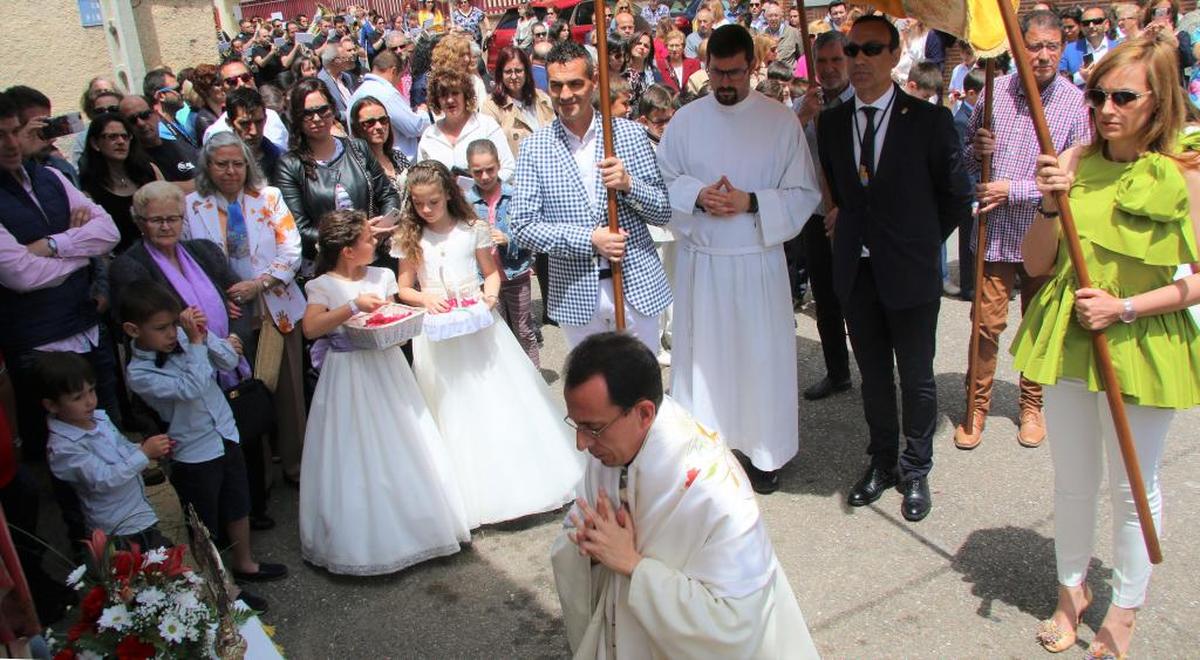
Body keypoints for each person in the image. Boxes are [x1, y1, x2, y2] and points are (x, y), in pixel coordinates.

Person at [1012, 33, 1200, 660]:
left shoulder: (1185, 172)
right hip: (1068, 339)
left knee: (1133, 488)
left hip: (1141, 342)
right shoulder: (1072, 158)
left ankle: (1125, 611)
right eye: (1097, 95)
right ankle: (1071, 593)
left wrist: (1126, 306)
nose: (1106, 109)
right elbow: (1037, 262)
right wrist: (1046, 205)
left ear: (1159, 101)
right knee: (1072, 480)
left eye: (1123, 96)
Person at [551, 332, 820, 658]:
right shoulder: (608, 449)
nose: (582, 443)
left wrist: (633, 566)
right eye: (575, 425)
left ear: (645, 413)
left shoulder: (714, 492)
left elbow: (735, 623)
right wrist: (593, 545)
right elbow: (577, 527)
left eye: (592, 428)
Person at [817, 15, 972, 522]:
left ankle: (916, 466)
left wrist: (918, 241)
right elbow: (841, 193)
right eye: (852, 50)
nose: (859, 60)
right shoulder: (832, 122)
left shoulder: (928, 121)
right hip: (857, 274)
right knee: (875, 375)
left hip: (910, 273)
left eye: (871, 49)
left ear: (894, 54)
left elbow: (955, 198)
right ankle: (882, 461)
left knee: (916, 377)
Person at [658, 24, 821, 495]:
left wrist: (751, 202)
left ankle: (763, 453)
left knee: (758, 358)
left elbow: (803, 192)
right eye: (717, 73)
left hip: (756, 260)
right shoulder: (686, 122)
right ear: (705, 68)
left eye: (734, 73)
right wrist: (697, 195)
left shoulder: (779, 121)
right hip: (703, 263)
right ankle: (707, 452)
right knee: (705, 360)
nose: (725, 83)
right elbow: (662, 179)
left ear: (753, 66)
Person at [394, 161, 582, 527]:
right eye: (419, 205)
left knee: (495, 397)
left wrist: (489, 296)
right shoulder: (411, 238)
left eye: (433, 202)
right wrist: (424, 299)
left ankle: (517, 481)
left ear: (448, 194)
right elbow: (404, 288)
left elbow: (491, 272)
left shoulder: (471, 229)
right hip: (438, 331)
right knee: (450, 403)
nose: (426, 210)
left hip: (478, 323)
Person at [299, 209, 469, 574]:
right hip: (346, 374)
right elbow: (311, 329)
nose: (374, 241)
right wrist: (350, 308)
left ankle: (420, 525)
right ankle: (363, 539)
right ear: (347, 250)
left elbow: (393, 313)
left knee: (405, 439)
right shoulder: (323, 286)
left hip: (387, 366)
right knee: (354, 448)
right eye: (366, 238)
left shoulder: (382, 276)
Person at [955, 9, 1093, 451]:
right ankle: (976, 406)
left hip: (1042, 230)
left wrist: (1011, 189)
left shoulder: (1074, 104)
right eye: (1035, 46)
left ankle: (1032, 405)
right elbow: (966, 162)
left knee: (1037, 324)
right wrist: (978, 149)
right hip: (996, 232)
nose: (1044, 55)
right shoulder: (993, 93)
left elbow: (1075, 179)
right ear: (1019, 48)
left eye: (1053, 46)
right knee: (986, 324)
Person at [0, 93, 122, 559]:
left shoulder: (49, 175)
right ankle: (91, 556)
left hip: (88, 329)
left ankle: (130, 543)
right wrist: (79, 248)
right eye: (2, 135)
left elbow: (108, 232)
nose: (12, 143)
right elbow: (19, 276)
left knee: (107, 432)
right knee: (71, 460)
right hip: (41, 342)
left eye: (17, 131)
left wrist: (50, 244)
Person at [120, 281, 285, 613]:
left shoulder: (186, 338)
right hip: (193, 450)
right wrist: (195, 344)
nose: (171, 334)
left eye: (172, 325)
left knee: (239, 502)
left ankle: (245, 561)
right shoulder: (140, 372)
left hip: (224, 432)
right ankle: (223, 586)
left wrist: (203, 334)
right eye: (161, 328)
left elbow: (227, 361)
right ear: (132, 330)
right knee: (204, 522)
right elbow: (191, 387)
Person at [511, 41, 672, 352]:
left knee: (641, 390)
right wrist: (589, 239)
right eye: (557, 86)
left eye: (575, 83)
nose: (566, 94)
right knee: (595, 396)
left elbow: (663, 211)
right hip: (576, 296)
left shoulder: (629, 135)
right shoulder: (536, 148)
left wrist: (629, 185)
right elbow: (523, 226)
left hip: (635, 286)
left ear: (594, 82)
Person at [183, 133, 309, 488]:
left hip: (274, 306)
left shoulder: (268, 198)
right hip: (225, 312)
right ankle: (257, 477)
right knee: (243, 393)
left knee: (287, 392)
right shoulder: (193, 206)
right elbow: (189, 261)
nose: (230, 171)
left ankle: (296, 466)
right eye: (221, 164)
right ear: (208, 166)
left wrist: (261, 283)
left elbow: (291, 250)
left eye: (237, 163)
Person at [42, 352, 173, 548]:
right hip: (117, 528)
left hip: (139, 513)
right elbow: (104, 479)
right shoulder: (63, 448)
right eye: (77, 397)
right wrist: (144, 454)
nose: (89, 401)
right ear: (51, 405)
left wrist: (148, 447)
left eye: (92, 391)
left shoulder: (99, 419)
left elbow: (122, 448)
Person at [274, 79, 401, 272]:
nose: (317, 118)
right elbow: (300, 228)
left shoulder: (358, 149)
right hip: (328, 267)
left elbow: (388, 193)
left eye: (322, 110)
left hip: (374, 258)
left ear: (333, 110)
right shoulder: (290, 165)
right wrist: (356, 236)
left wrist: (382, 227)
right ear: (297, 118)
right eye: (308, 113)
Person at [795, 29, 855, 402]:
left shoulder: (861, 102)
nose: (830, 69)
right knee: (826, 299)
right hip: (816, 216)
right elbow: (779, 149)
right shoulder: (805, 103)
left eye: (837, 60)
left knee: (862, 298)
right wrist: (801, 118)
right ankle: (837, 372)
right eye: (823, 61)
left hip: (855, 215)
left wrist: (845, 209)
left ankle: (878, 373)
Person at [465, 140, 538, 365]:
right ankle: (508, 374)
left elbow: (532, 234)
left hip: (516, 274)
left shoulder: (515, 196)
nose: (485, 176)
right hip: (483, 278)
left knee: (524, 329)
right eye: (478, 172)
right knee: (497, 331)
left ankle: (533, 376)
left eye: (490, 169)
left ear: (498, 165)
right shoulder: (466, 201)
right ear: (470, 170)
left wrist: (509, 240)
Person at [79, 113, 164, 252]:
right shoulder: (88, 187)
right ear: (95, 143)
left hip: (161, 248)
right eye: (112, 137)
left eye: (125, 136)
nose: (120, 142)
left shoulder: (149, 170)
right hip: (123, 259)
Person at [418, 69, 516, 182]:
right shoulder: (429, 136)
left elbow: (509, 168)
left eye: (455, 93)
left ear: (465, 95)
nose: (450, 100)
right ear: (437, 100)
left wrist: (482, 188)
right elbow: (422, 179)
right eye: (444, 95)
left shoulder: (486, 126)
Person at [347, 50, 430, 162]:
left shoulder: (356, 93)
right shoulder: (387, 93)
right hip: (395, 165)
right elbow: (415, 127)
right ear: (393, 71)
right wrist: (422, 112)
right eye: (400, 77)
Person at [482, 46, 556, 158]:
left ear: (526, 71)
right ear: (500, 74)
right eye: (508, 72)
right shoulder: (491, 106)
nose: (513, 76)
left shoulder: (542, 98)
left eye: (518, 71)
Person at [203, 59, 291, 151]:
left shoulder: (272, 116)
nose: (241, 84)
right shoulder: (217, 133)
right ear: (222, 88)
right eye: (232, 81)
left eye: (245, 77)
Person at [120, 95, 198, 189]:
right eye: (132, 120)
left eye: (145, 115)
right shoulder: (133, 162)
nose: (141, 123)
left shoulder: (180, 145)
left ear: (156, 114)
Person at [350, 96, 414, 195]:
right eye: (369, 123)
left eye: (383, 120)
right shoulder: (356, 167)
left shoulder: (397, 156)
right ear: (357, 128)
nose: (379, 127)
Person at [225, 87, 282, 180]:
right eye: (244, 123)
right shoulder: (219, 165)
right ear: (230, 123)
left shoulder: (280, 159)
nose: (254, 131)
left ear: (266, 119)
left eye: (259, 122)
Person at [1061, 5, 1122, 86]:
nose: (1091, 26)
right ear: (1081, 27)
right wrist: (1080, 77)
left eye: (1097, 21)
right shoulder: (1068, 50)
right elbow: (1058, 81)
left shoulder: (1120, 49)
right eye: (1086, 23)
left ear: (1106, 24)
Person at [143, 67, 198, 148]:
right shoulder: (159, 132)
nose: (182, 92)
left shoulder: (175, 122)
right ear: (161, 96)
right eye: (177, 89)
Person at [319, 37, 362, 117]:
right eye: (344, 57)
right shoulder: (322, 82)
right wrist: (351, 116)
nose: (348, 59)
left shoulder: (347, 77)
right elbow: (330, 112)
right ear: (335, 61)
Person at [624, 31, 662, 116]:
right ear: (631, 45)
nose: (641, 47)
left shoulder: (655, 74)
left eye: (646, 46)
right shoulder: (621, 71)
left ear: (649, 52)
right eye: (638, 43)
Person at [186, 64, 226, 141]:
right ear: (205, 90)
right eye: (218, 84)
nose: (223, 87)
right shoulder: (204, 120)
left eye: (223, 82)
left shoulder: (225, 111)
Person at [655, 30, 700, 94]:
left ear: (683, 46)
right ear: (666, 47)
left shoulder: (695, 64)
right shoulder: (660, 64)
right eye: (671, 46)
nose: (674, 49)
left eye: (677, 45)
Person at [761, 3, 803, 68]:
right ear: (766, 18)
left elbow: (801, 58)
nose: (773, 18)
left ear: (781, 17)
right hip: (771, 75)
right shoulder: (762, 35)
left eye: (776, 15)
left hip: (790, 75)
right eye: (770, 16)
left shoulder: (794, 33)